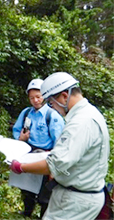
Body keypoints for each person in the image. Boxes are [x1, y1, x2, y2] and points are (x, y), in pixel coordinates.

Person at [10, 72, 110, 220]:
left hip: (75, 199)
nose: (52, 108)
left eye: (51, 103)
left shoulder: (81, 122)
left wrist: (20, 167)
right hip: (79, 193)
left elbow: (55, 164)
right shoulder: (90, 113)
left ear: (64, 96)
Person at [12, 78, 64, 218]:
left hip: (45, 156)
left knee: (44, 192)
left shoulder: (52, 116)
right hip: (28, 152)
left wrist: (54, 165)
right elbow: (17, 130)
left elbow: (59, 142)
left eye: (38, 97)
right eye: (32, 98)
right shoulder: (26, 113)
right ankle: (27, 211)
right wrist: (20, 138)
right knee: (26, 187)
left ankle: (43, 215)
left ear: (45, 96)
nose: (35, 100)